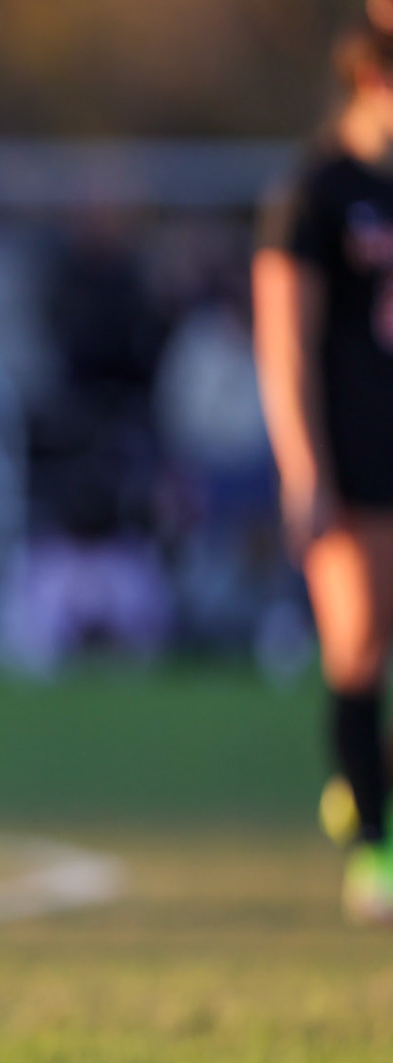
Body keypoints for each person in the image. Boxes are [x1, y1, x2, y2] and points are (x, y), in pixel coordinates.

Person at [255, 21, 393, 922]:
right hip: (355, 450)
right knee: (362, 644)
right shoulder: (315, 192)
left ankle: (366, 788)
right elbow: (285, 344)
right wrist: (303, 467)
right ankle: (373, 850)